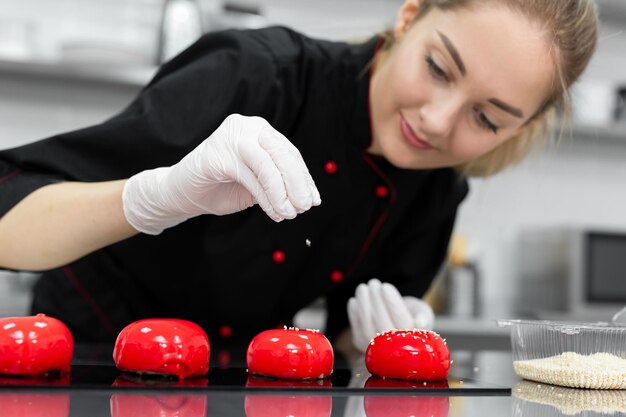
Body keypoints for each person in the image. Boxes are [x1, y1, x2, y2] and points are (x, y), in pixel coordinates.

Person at [0, 0, 598, 356]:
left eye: (486, 118)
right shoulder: (256, 76)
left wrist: (375, 345)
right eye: (438, 68)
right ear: (410, 16)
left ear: (518, 130)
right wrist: (150, 198)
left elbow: (339, 343)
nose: (438, 123)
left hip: (247, 386)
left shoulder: (438, 187)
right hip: (84, 360)